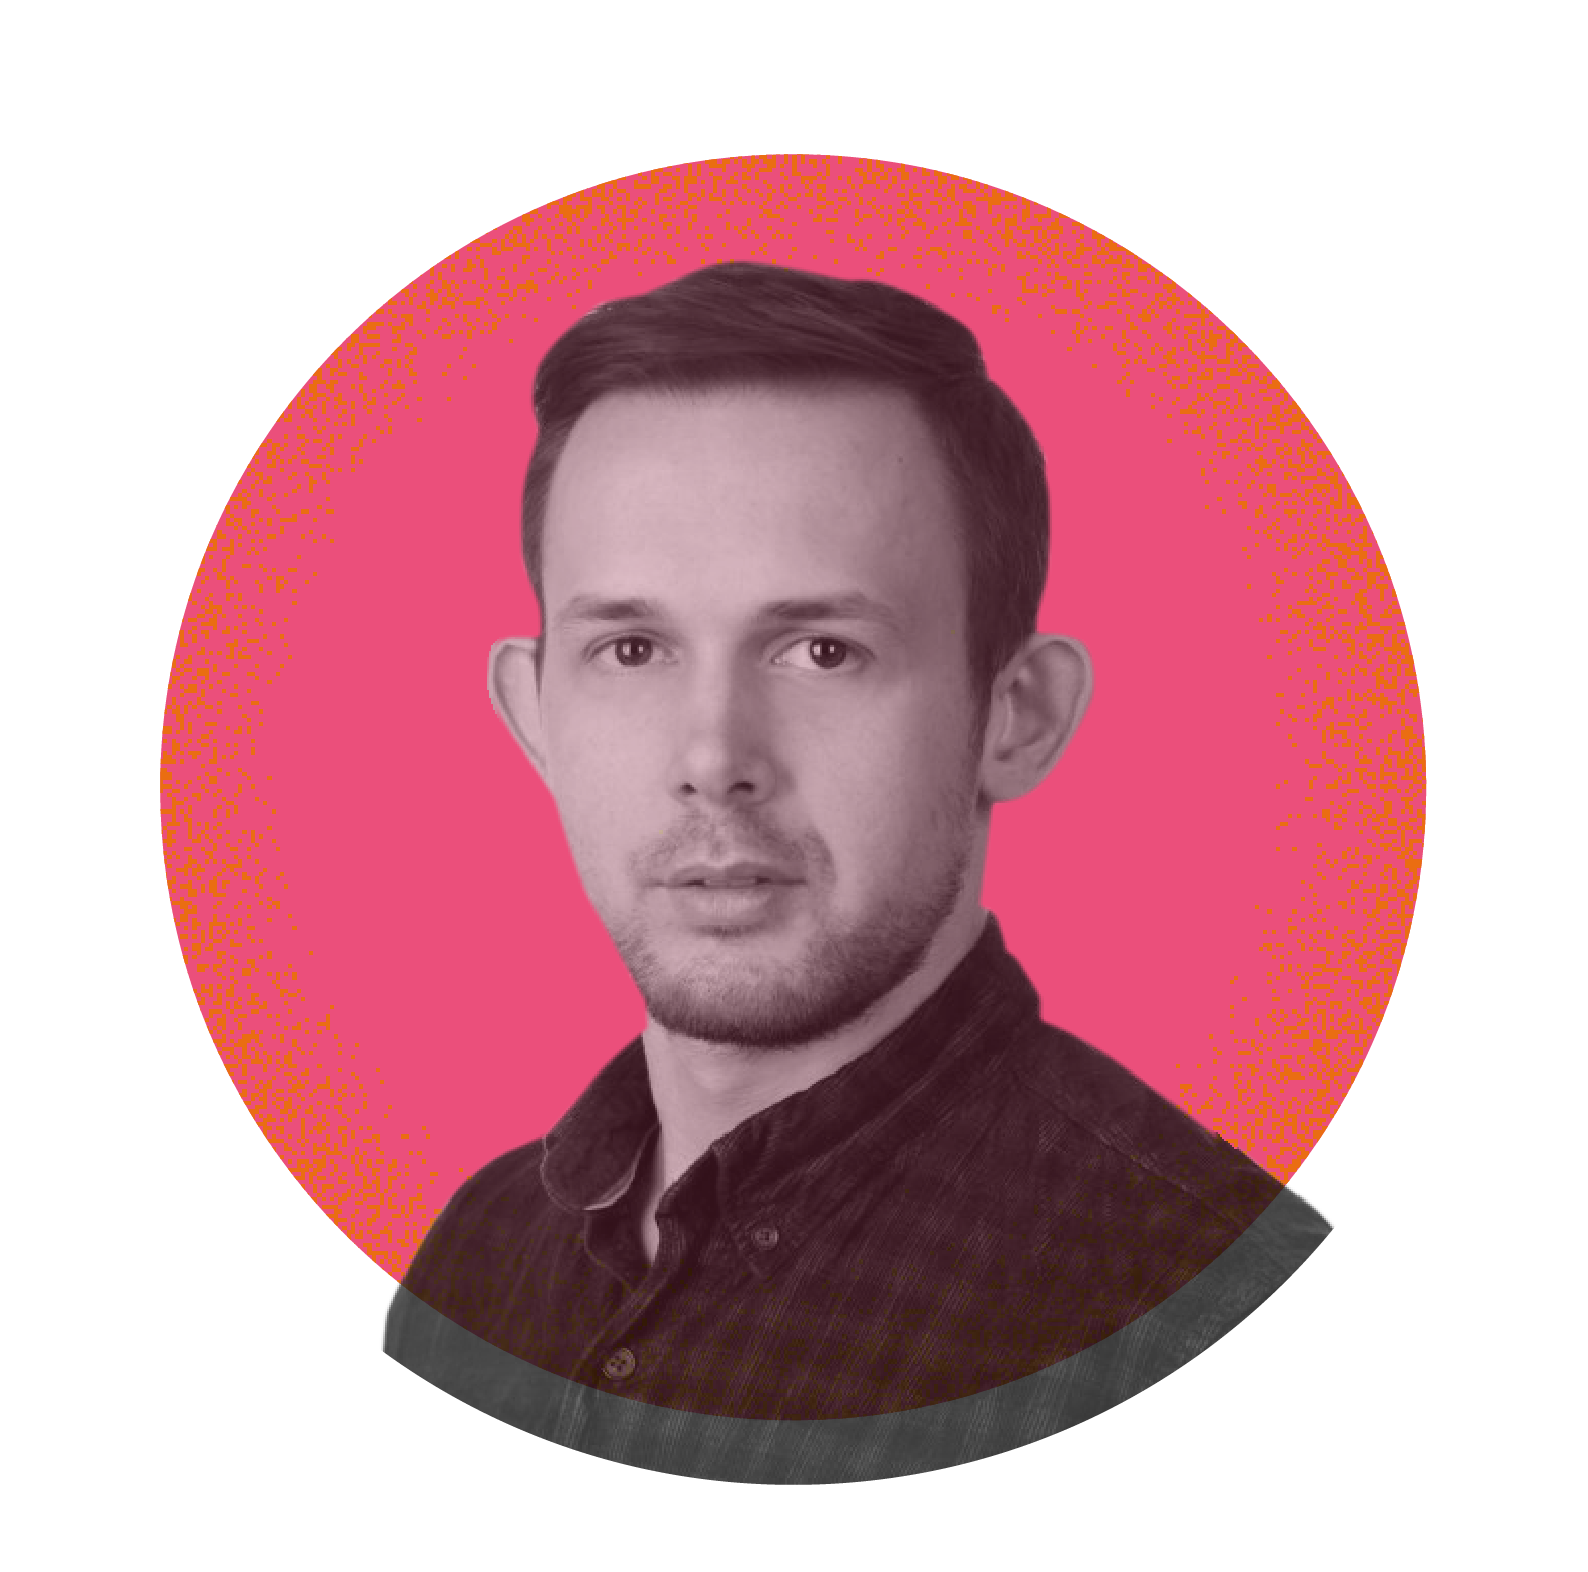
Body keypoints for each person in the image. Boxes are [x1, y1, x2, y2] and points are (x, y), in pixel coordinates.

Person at [380, 262, 1331, 1482]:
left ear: (1016, 715)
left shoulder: (1206, 1307)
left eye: (822, 650)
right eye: (632, 649)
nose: (713, 760)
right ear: (534, 716)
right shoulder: (474, 1261)